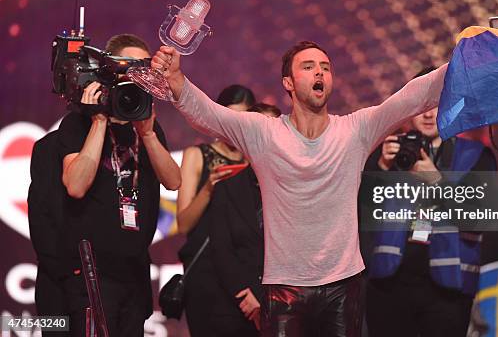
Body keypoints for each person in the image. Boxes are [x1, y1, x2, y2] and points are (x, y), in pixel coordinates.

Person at [152, 40, 448, 336]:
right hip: (284, 287)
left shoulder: (355, 130)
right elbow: (210, 115)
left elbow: (411, 98)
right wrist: (177, 79)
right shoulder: (264, 133)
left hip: (343, 285)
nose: (319, 73)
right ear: (288, 83)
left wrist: (465, 59)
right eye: (308, 67)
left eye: (325, 68)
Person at [58, 34, 181, 336]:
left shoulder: (146, 123)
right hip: (93, 275)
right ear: (109, 70)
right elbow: (75, 185)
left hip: (135, 270)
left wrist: (149, 134)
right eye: (128, 67)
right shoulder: (79, 123)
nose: (135, 77)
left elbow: (173, 180)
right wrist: (99, 120)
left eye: (143, 69)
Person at [362, 67, 497, 337]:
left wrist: (436, 181)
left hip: (447, 289)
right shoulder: (385, 152)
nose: (427, 113)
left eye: (436, 104)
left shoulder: (476, 156)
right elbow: (359, 212)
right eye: (420, 104)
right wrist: (380, 169)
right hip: (389, 284)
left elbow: (478, 218)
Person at [176, 84, 255, 336]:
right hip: (207, 274)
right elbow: (184, 223)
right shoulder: (198, 155)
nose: (233, 125)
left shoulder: (255, 160)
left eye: (241, 118)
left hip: (245, 274)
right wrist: (209, 187)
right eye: (228, 116)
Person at [209, 103, 281, 336]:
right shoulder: (227, 190)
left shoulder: (299, 186)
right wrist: (245, 294)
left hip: (289, 301)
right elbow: (222, 250)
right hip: (239, 306)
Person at [28, 130, 69, 336]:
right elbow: (40, 217)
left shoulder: (128, 142)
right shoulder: (47, 147)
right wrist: (71, 273)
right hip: (56, 286)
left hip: (121, 287)